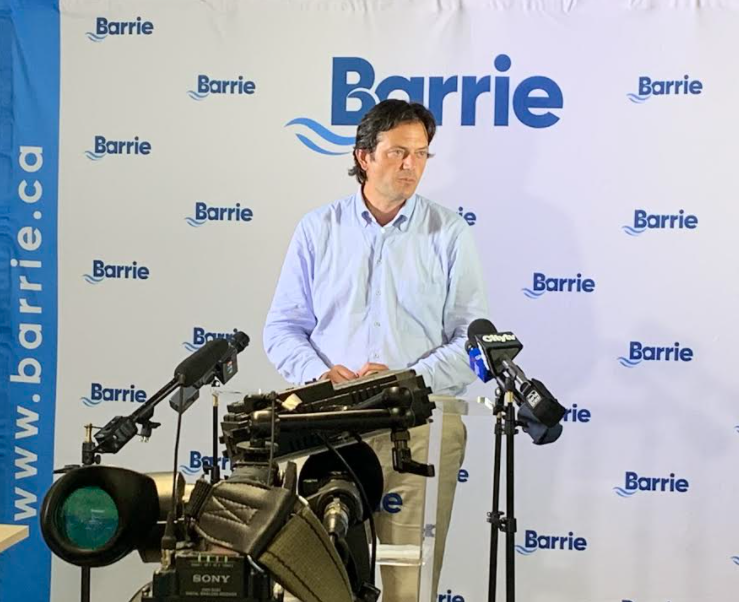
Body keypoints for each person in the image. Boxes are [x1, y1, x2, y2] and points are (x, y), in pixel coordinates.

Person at [264, 99, 488, 600]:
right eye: (398, 152)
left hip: (418, 425)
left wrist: (400, 382)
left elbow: (472, 338)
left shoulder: (448, 232)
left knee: (410, 585)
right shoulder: (318, 229)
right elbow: (282, 328)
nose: (412, 165)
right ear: (364, 156)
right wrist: (322, 379)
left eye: (422, 154)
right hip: (324, 426)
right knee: (312, 580)